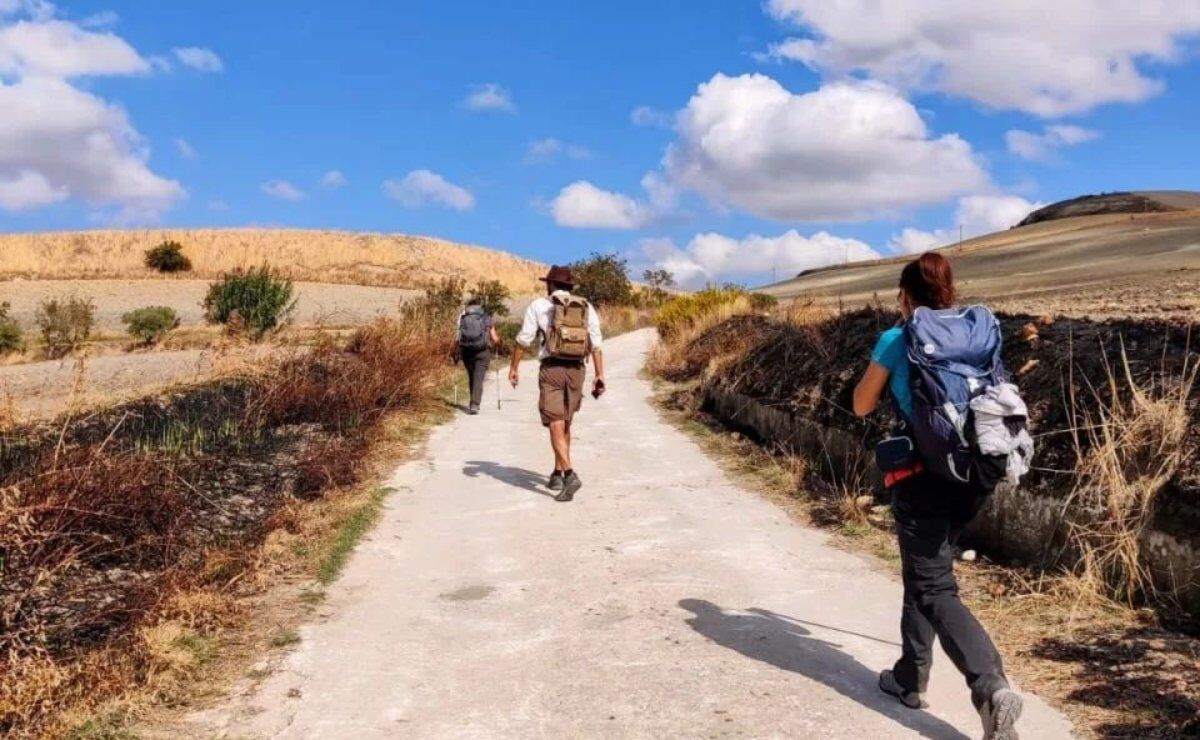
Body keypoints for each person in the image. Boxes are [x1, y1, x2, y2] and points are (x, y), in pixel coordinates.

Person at [852, 252, 1023, 740]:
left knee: (934, 585)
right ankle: (910, 676)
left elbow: (862, 405)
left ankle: (992, 689)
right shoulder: (979, 330)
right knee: (925, 569)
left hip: (922, 477)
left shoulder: (897, 338)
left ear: (905, 296)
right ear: (949, 289)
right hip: (975, 471)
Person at [508, 265, 604, 502]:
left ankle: (570, 474)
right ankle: (557, 472)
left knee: (554, 422)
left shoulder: (539, 306)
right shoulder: (585, 307)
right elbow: (596, 343)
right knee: (565, 422)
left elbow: (525, 339)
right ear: (569, 287)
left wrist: (513, 367)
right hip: (577, 369)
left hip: (551, 368)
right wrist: (600, 374)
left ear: (550, 285)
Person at [456, 297, 500, 415]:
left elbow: (458, 337)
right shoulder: (486, 317)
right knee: (478, 377)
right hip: (482, 351)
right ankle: (474, 404)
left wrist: (456, 351)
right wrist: (498, 342)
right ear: (480, 306)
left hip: (466, 351)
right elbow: (494, 338)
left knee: (472, 376)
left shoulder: (462, 317)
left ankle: (473, 401)